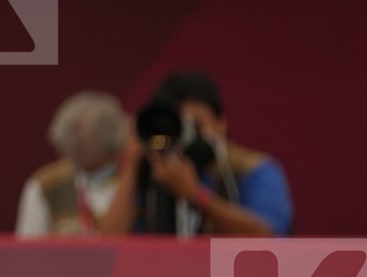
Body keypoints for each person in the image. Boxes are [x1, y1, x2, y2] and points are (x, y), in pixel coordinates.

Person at [118, 69, 294, 237]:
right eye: (178, 127)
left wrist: (196, 194)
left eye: (196, 125)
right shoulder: (152, 172)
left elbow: (268, 236)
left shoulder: (253, 169)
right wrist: (132, 163)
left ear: (221, 123)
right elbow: (108, 244)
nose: (186, 138)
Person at [16, 91, 130, 237]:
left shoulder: (135, 178)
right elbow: (27, 249)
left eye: (88, 141)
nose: (80, 142)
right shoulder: (45, 184)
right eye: (73, 135)